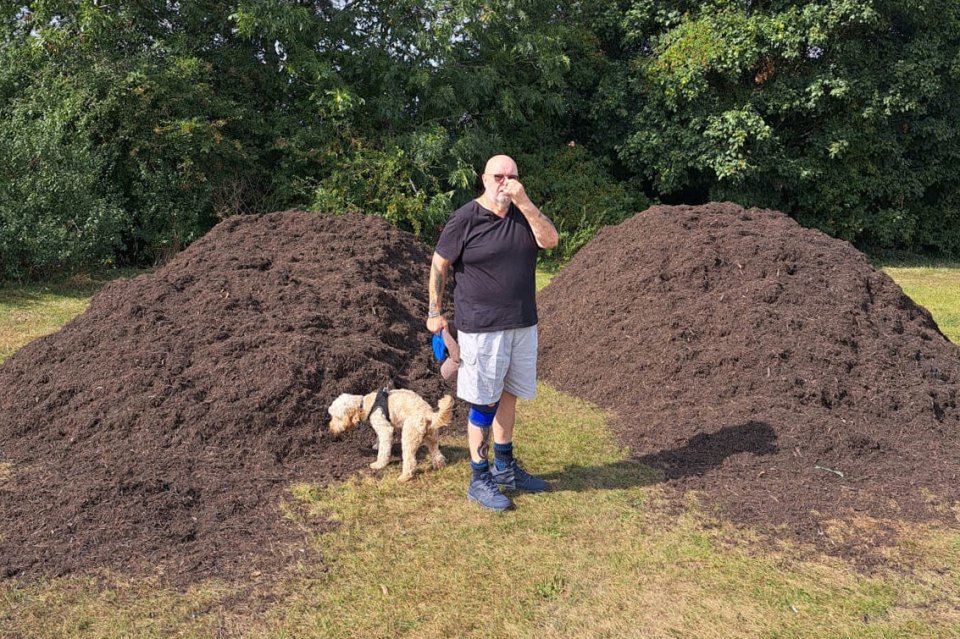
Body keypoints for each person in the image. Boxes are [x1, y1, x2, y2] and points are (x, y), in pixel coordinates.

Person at [426, 154, 559, 511]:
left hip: (522, 323)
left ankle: (505, 467)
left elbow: (550, 242)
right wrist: (435, 312)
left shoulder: (524, 214)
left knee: (509, 395)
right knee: (483, 401)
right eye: (498, 176)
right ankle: (479, 477)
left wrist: (525, 201)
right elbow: (440, 263)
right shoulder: (466, 218)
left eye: (512, 176)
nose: (505, 182)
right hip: (482, 328)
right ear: (484, 179)